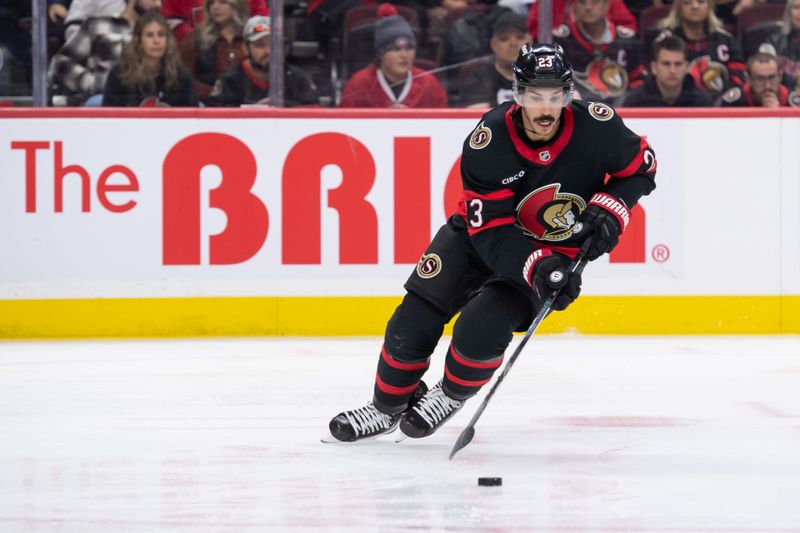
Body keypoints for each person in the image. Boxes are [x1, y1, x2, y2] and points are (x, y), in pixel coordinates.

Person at [325, 43, 657, 443]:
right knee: (411, 323)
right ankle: (385, 408)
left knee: (479, 330)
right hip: (480, 238)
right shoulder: (488, 141)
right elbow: (492, 232)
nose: (546, 109)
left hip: (550, 251)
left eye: (556, 97)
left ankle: (448, 396)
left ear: (569, 96)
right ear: (517, 95)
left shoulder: (598, 126)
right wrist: (538, 266)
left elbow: (642, 168)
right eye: (535, 96)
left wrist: (611, 206)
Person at [48, 0, 162, 104]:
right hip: (100, 103)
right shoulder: (98, 26)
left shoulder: (160, 37)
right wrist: (89, 82)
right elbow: (60, 63)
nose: (158, 4)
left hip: (143, 104)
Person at [339, 3, 447, 108]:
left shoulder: (429, 84)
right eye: (396, 49)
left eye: (409, 48)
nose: (404, 55)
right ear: (381, 54)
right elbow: (344, 123)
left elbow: (445, 122)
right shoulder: (359, 85)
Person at [210, 15, 319, 106]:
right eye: (260, 45)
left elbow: (314, 116)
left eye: (274, 44)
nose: (268, 51)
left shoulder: (298, 78)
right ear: (245, 48)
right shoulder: (229, 82)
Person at [552, 0, 646, 104]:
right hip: (578, 108)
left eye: (595, 2)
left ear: (607, 5)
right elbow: (552, 82)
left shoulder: (626, 39)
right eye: (582, 2)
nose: (588, 7)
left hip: (622, 109)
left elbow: (639, 80)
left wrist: (629, 101)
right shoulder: (560, 40)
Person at [647, 0, 745, 98]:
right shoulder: (663, 42)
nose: (695, 7)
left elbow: (738, 79)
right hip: (677, 104)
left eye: (701, 2)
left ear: (709, 7)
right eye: (687, 2)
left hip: (722, 105)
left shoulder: (726, 40)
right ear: (678, 8)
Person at [103, 11, 197, 106]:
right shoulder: (119, 75)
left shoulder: (182, 76)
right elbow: (109, 116)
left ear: (167, 40)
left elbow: (192, 117)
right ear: (138, 41)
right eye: (150, 35)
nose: (156, 41)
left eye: (161, 35)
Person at [179, 0, 249, 103]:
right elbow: (182, 77)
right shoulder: (197, 37)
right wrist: (210, 91)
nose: (215, 7)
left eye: (222, 2)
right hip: (208, 105)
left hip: (248, 103)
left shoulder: (250, 37)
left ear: (236, 5)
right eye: (211, 3)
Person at [458, 10, 530, 108]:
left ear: (530, 41)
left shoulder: (544, 76)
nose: (513, 43)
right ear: (493, 44)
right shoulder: (478, 77)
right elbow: (477, 117)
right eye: (504, 38)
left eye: (520, 37)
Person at [621, 34, 713, 106]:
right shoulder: (636, 101)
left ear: (686, 67)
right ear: (654, 67)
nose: (672, 70)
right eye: (666, 64)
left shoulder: (702, 101)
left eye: (678, 64)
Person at [719, 50, 800, 106]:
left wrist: (778, 115)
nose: (767, 86)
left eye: (772, 78)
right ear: (748, 79)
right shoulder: (735, 101)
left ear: (780, 76)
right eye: (760, 79)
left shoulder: (794, 103)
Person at [162, 0, 267, 42]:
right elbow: (170, 22)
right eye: (212, 3)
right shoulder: (195, 40)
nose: (216, 7)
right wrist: (198, 38)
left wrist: (250, 35)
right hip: (201, 49)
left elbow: (265, 25)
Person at [763, 0, 800, 93]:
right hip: (781, 101)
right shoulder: (773, 41)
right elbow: (763, 78)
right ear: (788, 13)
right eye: (797, 7)